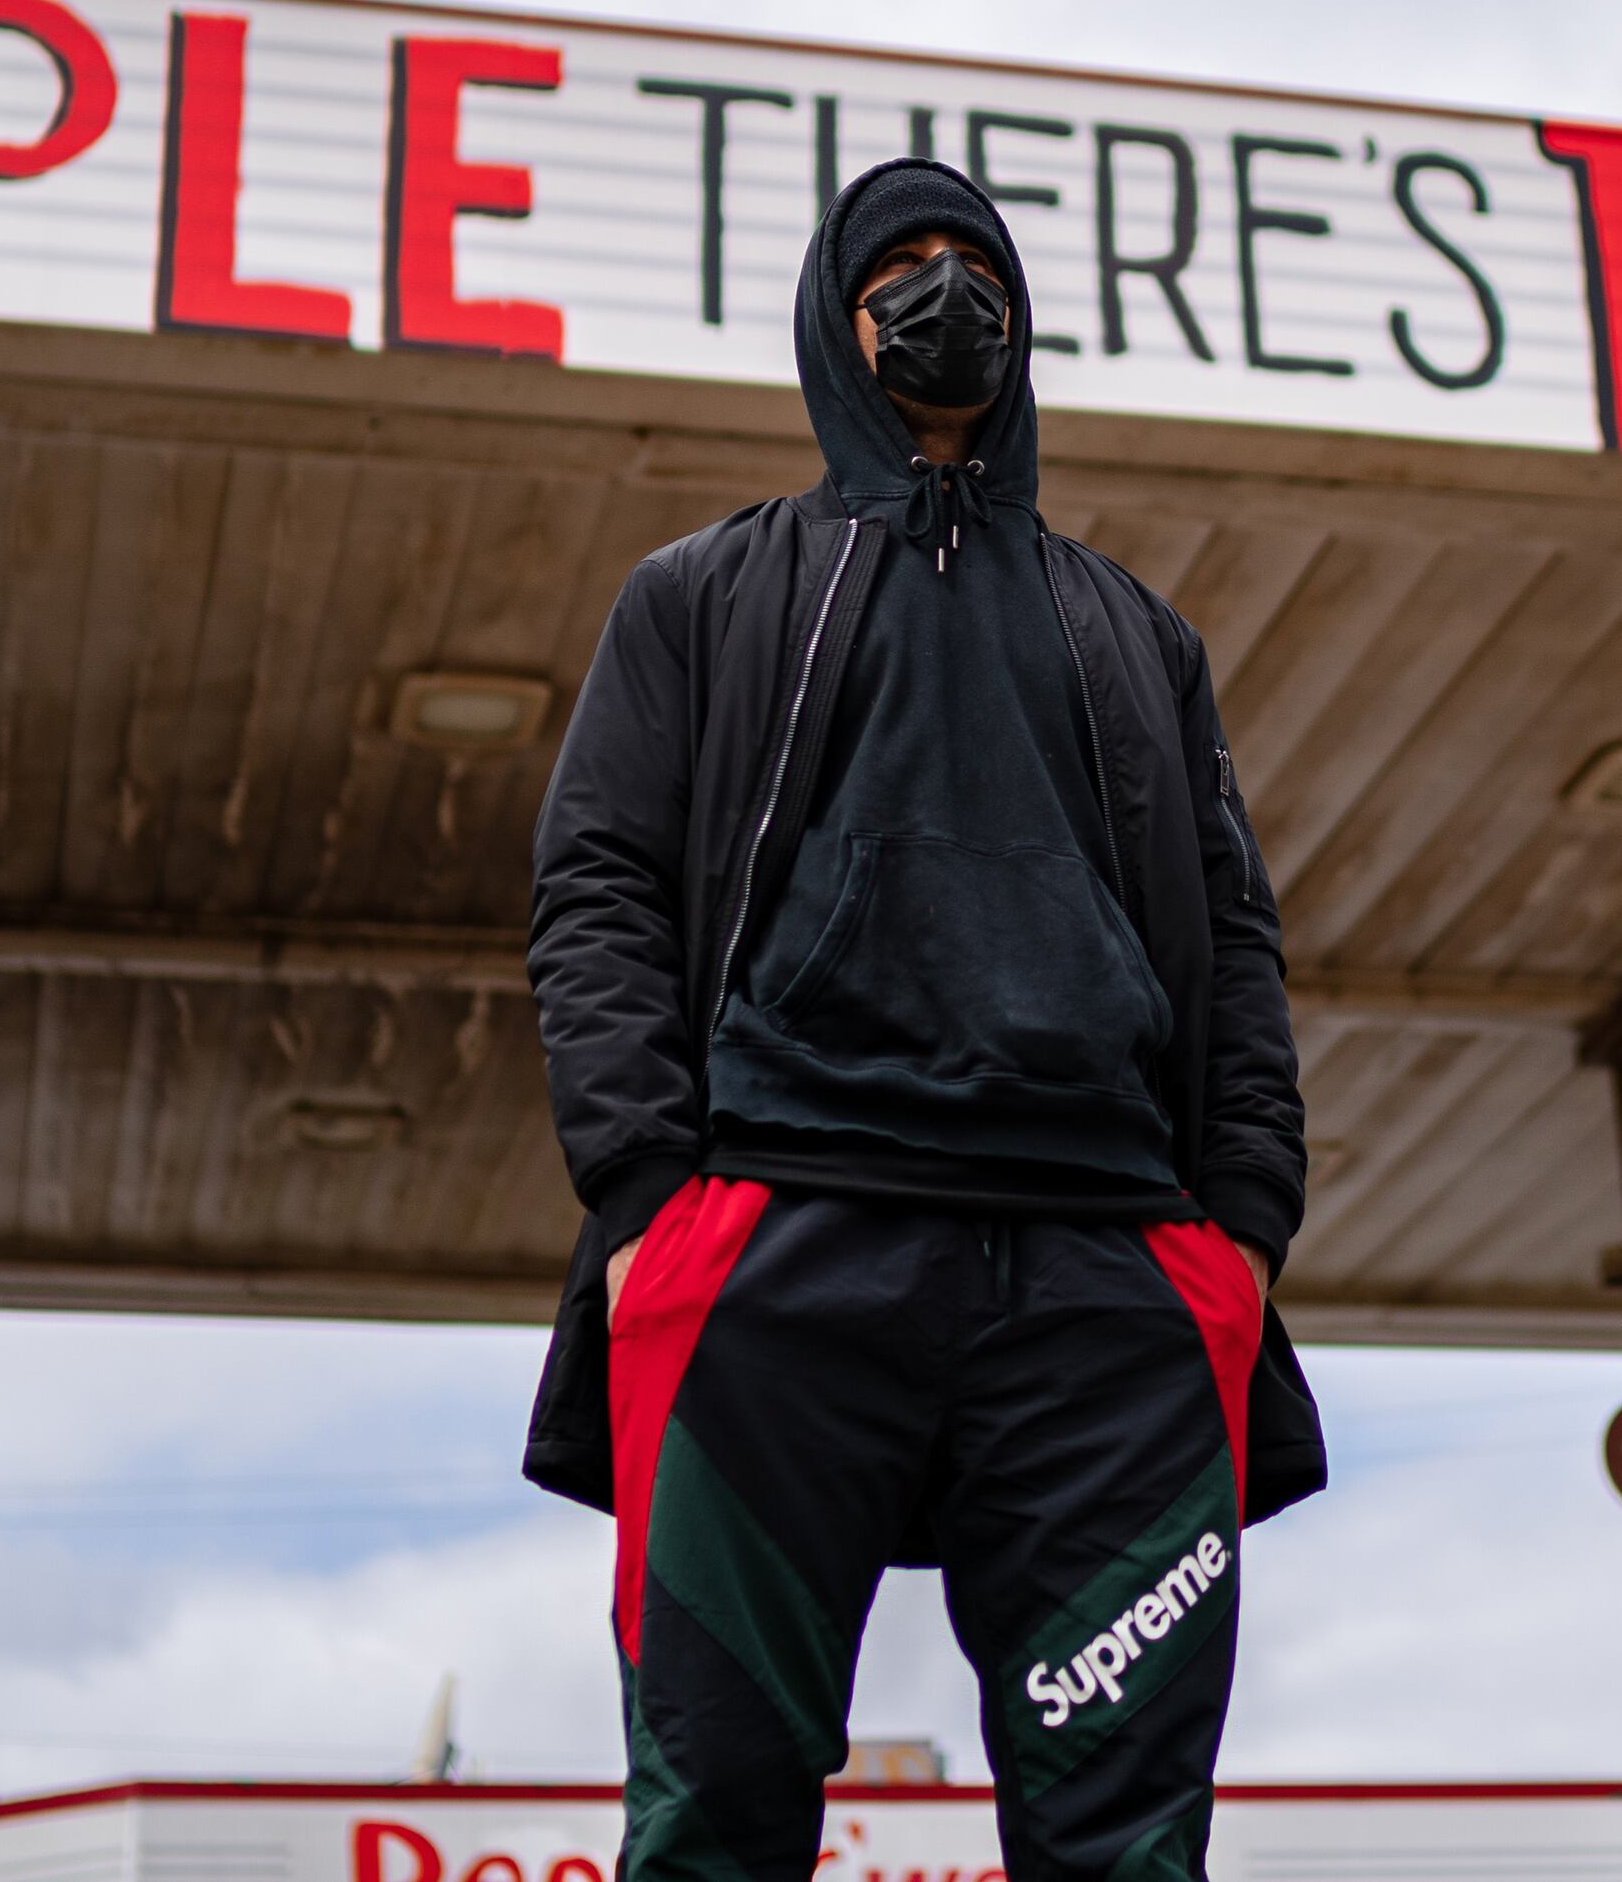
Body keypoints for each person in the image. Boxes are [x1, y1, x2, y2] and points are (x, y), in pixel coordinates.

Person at [522, 156, 1322, 1882]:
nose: (946, 290)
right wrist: (655, 1196)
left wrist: (1238, 1235)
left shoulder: (1136, 632)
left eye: (978, 261)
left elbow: (1237, 941)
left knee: (1127, 1841)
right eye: (904, 263)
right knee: (716, 1816)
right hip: (772, 1257)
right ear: (836, 315)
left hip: (1108, 1282)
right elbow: (592, 888)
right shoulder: (701, 595)